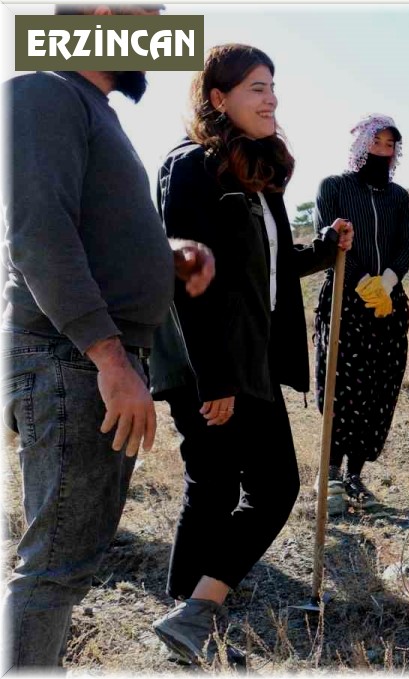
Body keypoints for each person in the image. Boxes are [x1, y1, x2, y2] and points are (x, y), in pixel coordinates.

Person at [0, 3, 218, 670]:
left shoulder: (91, 109)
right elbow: (38, 234)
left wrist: (169, 252)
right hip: (73, 360)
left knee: (66, 561)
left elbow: (89, 229)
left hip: (88, 359)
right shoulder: (42, 91)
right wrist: (109, 357)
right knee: (54, 568)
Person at [147, 43, 353, 665]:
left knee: (226, 485)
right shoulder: (190, 169)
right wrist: (212, 378)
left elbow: (267, 268)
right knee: (252, 486)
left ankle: (187, 613)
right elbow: (184, 279)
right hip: (208, 362)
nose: (272, 99)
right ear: (219, 98)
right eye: (257, 88)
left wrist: (322, 249)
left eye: (273, 87)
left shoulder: (254, 174)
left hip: (249, 359)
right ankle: (192, 610)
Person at [312, 113, 409, 508]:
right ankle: (330, 474)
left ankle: (355, 475)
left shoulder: (398, 196)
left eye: (390, 146)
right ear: (360, 145)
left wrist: (386, 283)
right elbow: (328, 238)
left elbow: (405, 245)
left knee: (377, 389)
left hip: (388, 305)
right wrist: (359, 282)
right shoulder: (334, 187)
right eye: (377, 143)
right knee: (342, 389)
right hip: (345, 301)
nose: (383, 152)